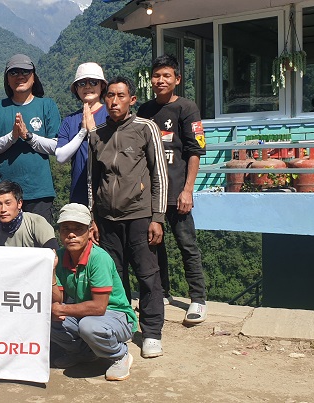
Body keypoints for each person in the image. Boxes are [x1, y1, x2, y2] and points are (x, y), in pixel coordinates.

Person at [89, 76, 169, 359]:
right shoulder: (96, 134)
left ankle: (152, 333)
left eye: (120, 96)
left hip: (140, 215)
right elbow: (91, 180)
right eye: (110, 96)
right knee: (115, 277)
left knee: (148, 275)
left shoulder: (145, 128)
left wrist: (157, 217)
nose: (114, 101)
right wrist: (92, 218)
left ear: (132, 100)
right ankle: (122, 326)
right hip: (106, 219)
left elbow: (159, 174)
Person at [136, 55, 208, 325]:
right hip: (151, 194)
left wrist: (188, 190)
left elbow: (195, 151)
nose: (160, 80)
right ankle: (162, 293)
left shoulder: (187, 108)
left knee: (187, 245)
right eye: (156, 76)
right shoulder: (144, 110)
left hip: (177, 191)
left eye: (166, 75)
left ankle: (198, 299)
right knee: (155, 245)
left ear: (177, 79)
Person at [50, 203, 138, 381]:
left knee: (89, 326)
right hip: (87, 315)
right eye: (65, 229)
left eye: (78, 228)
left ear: (90, 231)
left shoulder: (98, 258)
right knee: (47, 319)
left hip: (117, 316)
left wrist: (62, 309)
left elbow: (99, 307)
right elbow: (58, 298)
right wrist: (51, 271)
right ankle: (84, 353)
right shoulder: (60, 257)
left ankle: (120, 355)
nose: (71, 234)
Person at [0, 54, 60, 223]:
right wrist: (12, 137)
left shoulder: (47, 105)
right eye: (14, 72)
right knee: (10, 239)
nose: (20, 76)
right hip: (6, 194)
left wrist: (28, 136)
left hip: (39, 192)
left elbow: (56, 147)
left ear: (34, 76)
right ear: (7, 79)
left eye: (25, 71)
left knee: (40, 238)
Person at [56, 62, 109, 205]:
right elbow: (61, 157)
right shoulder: (69, 120)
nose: (87, 86)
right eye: (82, 83)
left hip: (108, 192)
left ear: (102, 86)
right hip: (79, 194)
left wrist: (92, 131)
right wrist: (83, 131)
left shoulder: (111, 115)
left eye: (93, 82)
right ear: (76, 89)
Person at [0, 181, 57, 249]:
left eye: (8, 203)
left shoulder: (36, 223)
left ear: (19, 203)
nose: (3, 209)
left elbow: (53, 252)